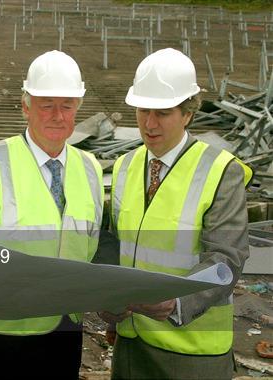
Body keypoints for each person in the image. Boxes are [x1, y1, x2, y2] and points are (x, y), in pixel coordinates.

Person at [0, 50, 107, 380]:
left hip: (64, 337)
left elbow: (99, 243)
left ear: (77, 108)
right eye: (45, 104)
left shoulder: (91, 169)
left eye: (66, 105)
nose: (57, 115)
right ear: (25, 106)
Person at [100, 48, 252, 379]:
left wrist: (176, 303)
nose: (149, 124)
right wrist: (106, 296)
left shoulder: (221, 171)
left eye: (163, 113)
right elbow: (115, 241)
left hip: (193, 350)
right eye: (143, 110)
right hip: (131, 341)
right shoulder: (125, 167)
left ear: (188, 114)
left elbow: (227, 256)